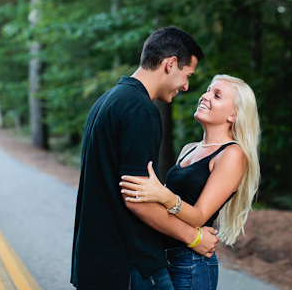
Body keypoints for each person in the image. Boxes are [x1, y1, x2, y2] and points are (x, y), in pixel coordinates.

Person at [71, 26, 220, 290]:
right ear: (170, 64)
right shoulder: (141, 110)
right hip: (129, 264)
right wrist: (194, 237)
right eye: (187, 76)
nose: (186, 86)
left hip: (98, 261)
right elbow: (138, 201)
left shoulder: (109, 100)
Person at [119, 74, 261, 290]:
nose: (205, 97)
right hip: (161, 255)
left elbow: (199, 216)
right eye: (207, 90)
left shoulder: (232, 154)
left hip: (190, 261)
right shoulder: (189, 149)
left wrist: (163, 195)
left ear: (233, 115)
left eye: (217, 95)